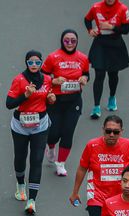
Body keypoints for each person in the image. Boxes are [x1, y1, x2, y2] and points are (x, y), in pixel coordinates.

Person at [6, 50, 56, 215]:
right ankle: (21, 185)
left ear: (41, 63)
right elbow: (9, 104)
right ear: (26, 63)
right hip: (20, 125)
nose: (34, 65)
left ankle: (32, 200)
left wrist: (51, 100)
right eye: (30, 62)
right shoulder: (19, 80)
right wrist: (25, 95)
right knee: (20, 158)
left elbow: (48, 99)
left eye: (37, 62)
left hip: (40, 125)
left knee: (36, 160)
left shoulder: (47, 80)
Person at [42, 30, 90, 177]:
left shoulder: (83, 58)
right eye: (66, 40)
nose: (69, 43)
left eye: (73, 41)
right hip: (55, 100)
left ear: (77, 42)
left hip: (74, 101)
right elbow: (42, 76)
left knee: (68, 132)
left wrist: (84, 79)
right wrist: (53, 81)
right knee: (53, 133)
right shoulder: (53, 57)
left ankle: (60, 164)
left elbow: (86, 73)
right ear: (62, 41)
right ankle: (51, 146)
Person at [84, 0, 129, 119]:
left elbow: (126, 29)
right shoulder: (96, 7)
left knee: (113, 74)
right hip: (100, 43)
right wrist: (90, 30)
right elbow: (87, 19)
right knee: (99, 74)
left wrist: (112, 27)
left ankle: (112, 98)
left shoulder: (123, 9)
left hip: (115, 44)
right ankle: (96, 107)